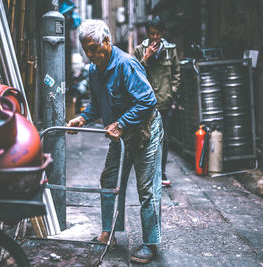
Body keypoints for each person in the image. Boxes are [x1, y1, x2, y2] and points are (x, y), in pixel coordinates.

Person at [67, 19, 163, 264]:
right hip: (121, 135)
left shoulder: (126, 64)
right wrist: (82, 118)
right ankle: (108, 233)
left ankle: (150, 243)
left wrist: (120, 124)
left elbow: (148, 100)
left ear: (107, 42)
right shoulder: (93, 69)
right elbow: (97, 105)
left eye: (93, 48)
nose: (90, 54)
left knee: (146, 189)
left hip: (144, 130)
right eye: (86, 49)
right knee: (109, 181)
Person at [133, 17, 181, 187]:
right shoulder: (139, 50)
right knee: (145, 137)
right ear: (147, 33)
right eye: (151, 33)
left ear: (163, 33)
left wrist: (172, 92)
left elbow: (176, 74)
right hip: (145, 104)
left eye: (157, 33)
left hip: (164, 102)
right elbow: (133, 74)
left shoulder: (170, 50)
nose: (154, 37)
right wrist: (146, 58)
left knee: (163, 138)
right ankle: (147, 171)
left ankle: (161, 172)